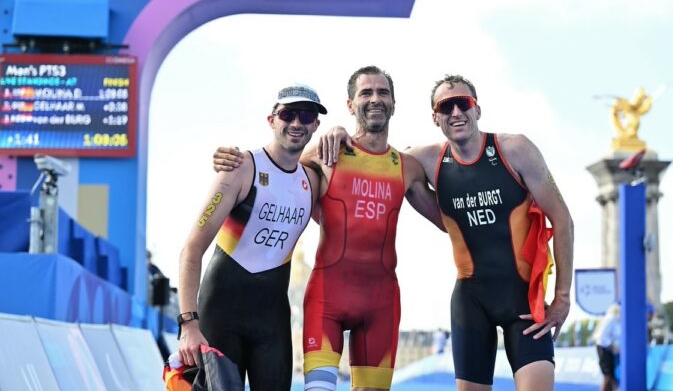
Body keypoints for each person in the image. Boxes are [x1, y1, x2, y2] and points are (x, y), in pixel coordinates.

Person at [314, 74, 574, 391]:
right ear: (435, 117)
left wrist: (561, 299)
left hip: (523, 300)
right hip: (471, 300)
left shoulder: (515, 150)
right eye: (445, 107)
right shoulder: (424, 160)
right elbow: (374, 156)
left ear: (477, 110)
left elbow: (562, 220)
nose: (455, 113)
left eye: (463, 104)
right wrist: (340, 133)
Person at [213, 66, 444, 391]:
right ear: (350, 105)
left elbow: (448, 222)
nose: (375, 99)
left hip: (381, 304)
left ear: (394, 103)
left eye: (382, 93)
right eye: (366, 92)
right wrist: (234, 161)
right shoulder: (326, 154)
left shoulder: (408, 167)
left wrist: (460, 173)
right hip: (328, 298)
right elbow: (278, 164)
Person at [177, 84, 326, 390]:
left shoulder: (313, 180)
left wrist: (338, 132)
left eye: (306, 115)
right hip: (221, 312)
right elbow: (191, 249)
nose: (296, 123)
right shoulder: (241, 168)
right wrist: (189, 324)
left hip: (271, 320)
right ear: (272, 120)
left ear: (316, 125)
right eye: (288, 114)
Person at [593, 304, 621, 391]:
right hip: (604, 350)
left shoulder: (614, 318)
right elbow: (601, 337)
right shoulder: (611, 318)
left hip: (607, 350)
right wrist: (612, 346)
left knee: (610, 377)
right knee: (608, 377)